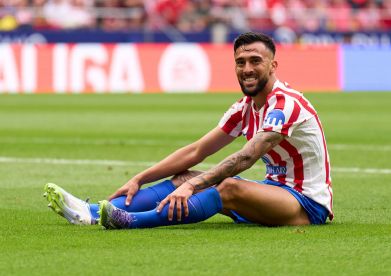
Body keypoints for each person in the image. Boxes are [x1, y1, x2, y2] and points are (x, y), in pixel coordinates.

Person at [44, 32, 333, 229]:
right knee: (183, 176)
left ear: (273, 65)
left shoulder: (285, 104)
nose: (247, 69)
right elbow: (197, 151)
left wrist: (194, 186)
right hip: (272, 191)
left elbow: (246, 158)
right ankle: (92, 212)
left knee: (227, 186)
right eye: (241, 62)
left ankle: (131, 221)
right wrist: (139, 178)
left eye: (255, 61)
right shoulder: (245, 107)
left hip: (306, 204)